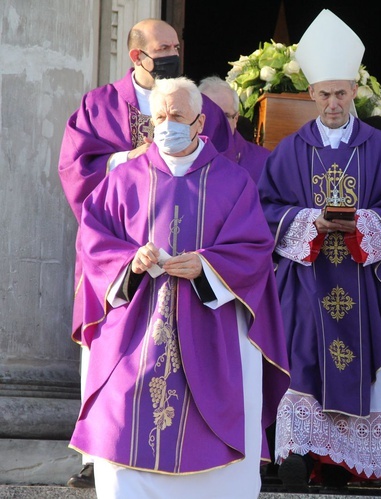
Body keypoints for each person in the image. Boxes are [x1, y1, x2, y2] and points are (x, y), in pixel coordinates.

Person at [69, 76, 289, 498]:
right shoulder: (123, 179)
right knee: (124, 431)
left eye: (177, 117)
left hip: (212, 332)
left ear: (200, 122)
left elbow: (255, 251)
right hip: (137, 335)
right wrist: (130, 262)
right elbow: (94, 241)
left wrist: (207, 266)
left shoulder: (233, 181)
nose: (166, 125)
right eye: (159, 117)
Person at [58, 18, 233, 488]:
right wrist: (126, 160)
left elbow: (222, 170)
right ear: (137, 56)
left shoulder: (201, 107)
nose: (174, 53)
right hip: (125, 250)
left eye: (177, 44)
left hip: (187, 251)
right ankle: (100, 451)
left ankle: (190, 439)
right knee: (110, 346)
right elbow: (76, 169)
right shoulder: (99, 105)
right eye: (163, 47)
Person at [256, 9, 381, 491]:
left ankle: (356, 463)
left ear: (356, 91)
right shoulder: (290, 150)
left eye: (341, 92)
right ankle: (302, 456)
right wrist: (310, 221)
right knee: (303, 358)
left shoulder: (379, 147)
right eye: (324, 94)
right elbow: (266, 208)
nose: (333, 102)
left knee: (367, 365)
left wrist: (364, 224)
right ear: (310, 95)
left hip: (365, 282)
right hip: (306, 282)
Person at [199, 76, 271, 182]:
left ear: (236, 119)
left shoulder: (264, 162)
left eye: (225, 116)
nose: (218, 122)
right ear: (198, 119)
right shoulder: (181, 159)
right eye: (211, 115)